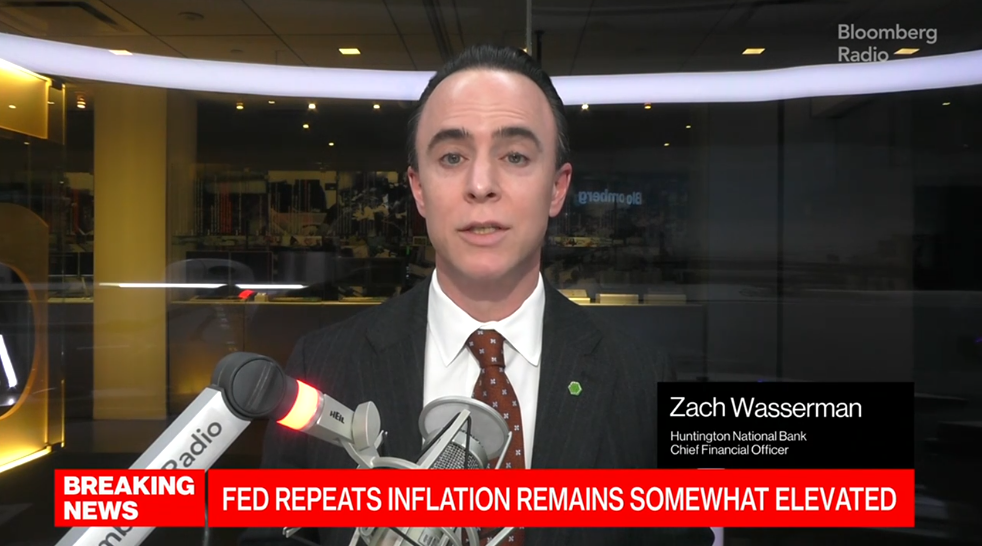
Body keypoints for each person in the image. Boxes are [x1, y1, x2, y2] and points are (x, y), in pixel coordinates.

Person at [241, 44, 714, 546]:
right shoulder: (321, 368)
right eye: (452, 157)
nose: (481, 184)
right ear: (418, 189)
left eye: (515, 156)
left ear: (557, 188)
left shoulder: (642, 380)